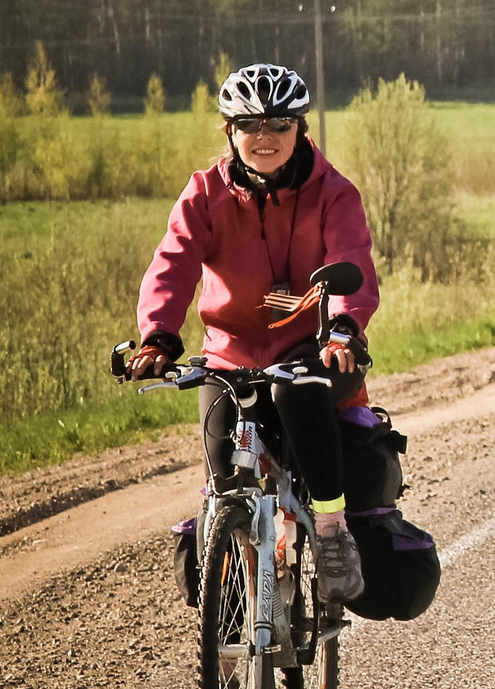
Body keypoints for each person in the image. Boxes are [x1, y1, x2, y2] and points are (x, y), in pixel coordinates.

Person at [127, 63, 379, 602]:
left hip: (312, 350)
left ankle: (332, 533)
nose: (265, 137)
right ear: (230, 132)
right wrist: (157, 337)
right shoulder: (204, 194)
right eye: (251, 125)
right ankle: (235, 579)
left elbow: (351, 259)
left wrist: (343, 329)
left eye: (279, 124)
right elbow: (172, 267)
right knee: (225, 480)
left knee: (297, 394)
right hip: (229, 356)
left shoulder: (333, 193)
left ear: (300, 130)